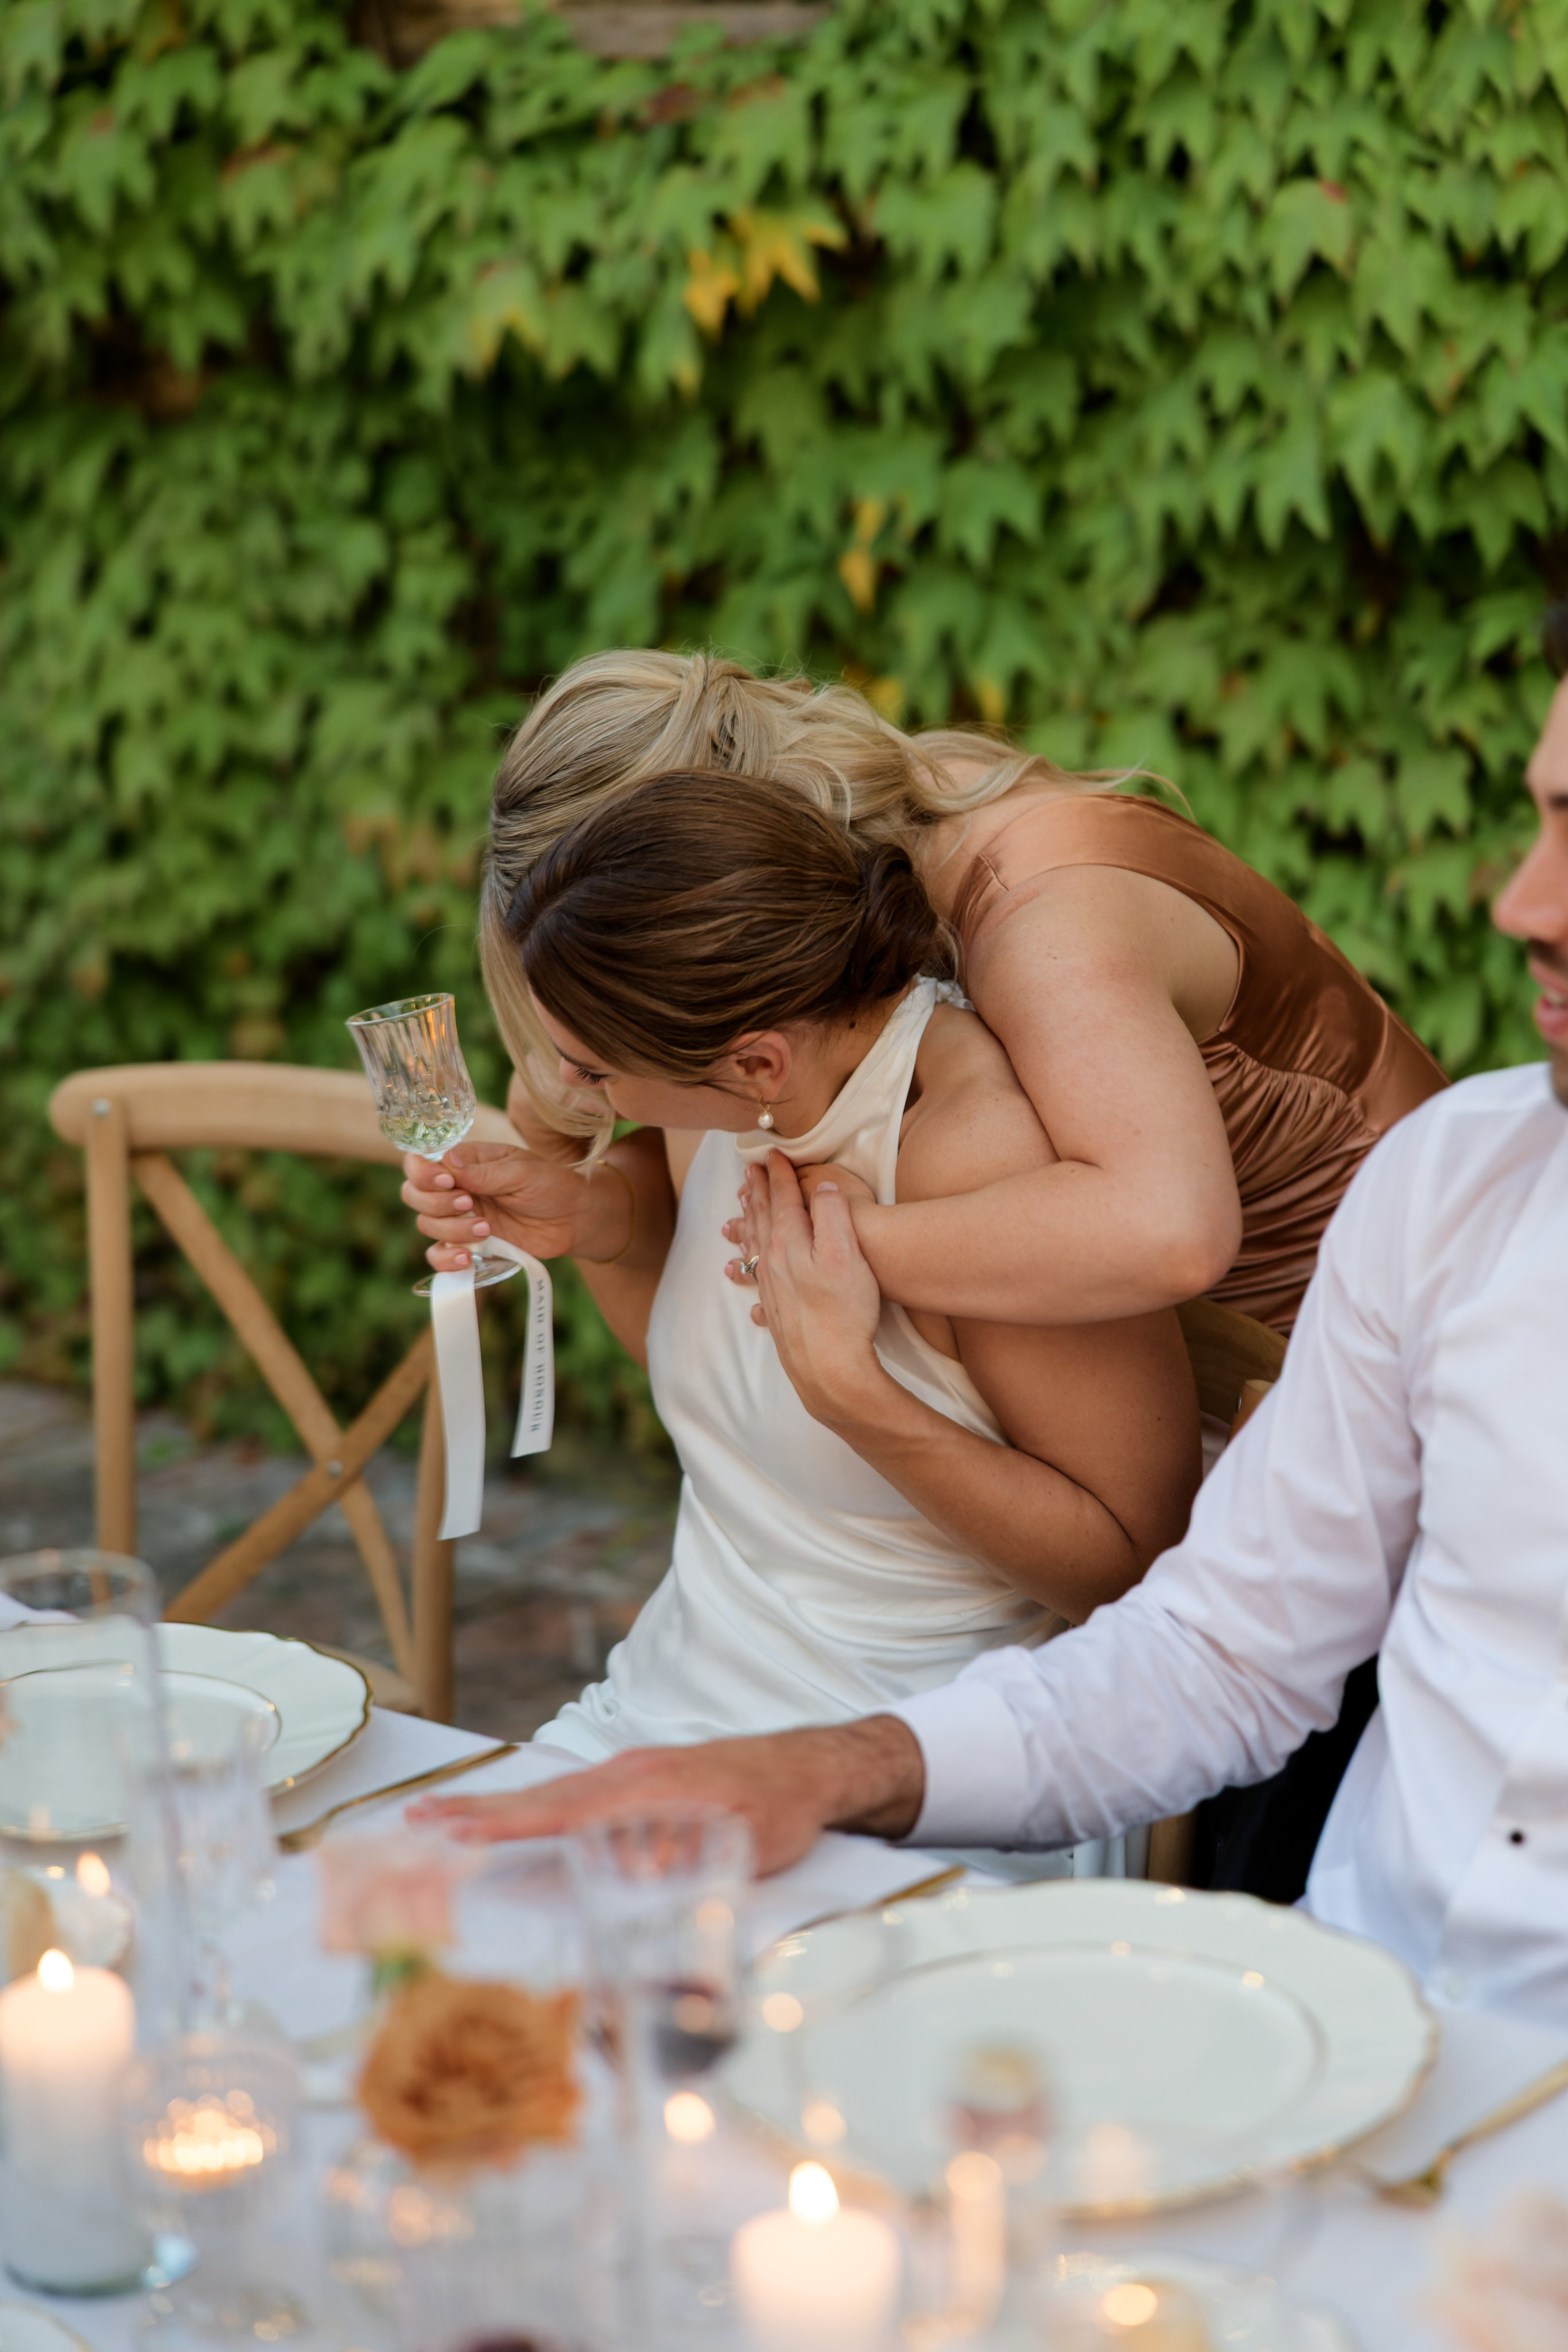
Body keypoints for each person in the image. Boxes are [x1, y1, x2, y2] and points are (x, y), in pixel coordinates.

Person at [417, 626, 1568, 2026]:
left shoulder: (1023, 929)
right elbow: (1204, 1651)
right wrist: (624, 1227)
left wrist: (857, 1281)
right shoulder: (832, 985)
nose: (1517, 904)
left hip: (1339, 1403)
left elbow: (1167, 1233)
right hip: (1284, 1552)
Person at [412, 771, 1197, 1760]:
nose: (557, 1084)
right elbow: (723, 1400)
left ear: (755, 1062)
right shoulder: (733, 1109)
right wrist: (597, 1217)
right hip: (652, 1718)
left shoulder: (969, 1156)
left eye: (593, 1068)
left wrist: (854, 1396)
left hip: (919, 1768)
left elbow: (1135, 1566)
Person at [461, 649, 1446, 1338]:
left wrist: (841, 1248)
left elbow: (1171, 1231)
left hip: (1382, 1351)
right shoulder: (893, 813)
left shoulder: (1035, 917)